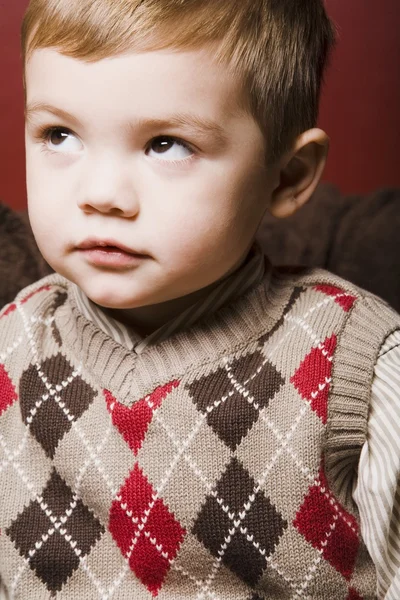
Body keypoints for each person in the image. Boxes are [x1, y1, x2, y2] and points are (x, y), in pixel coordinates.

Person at [0, 0, 399, 598]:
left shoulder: (359, 366)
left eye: (166, 144)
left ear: (287, 177)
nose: (102, 194)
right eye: (60, 135)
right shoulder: (12, 344)